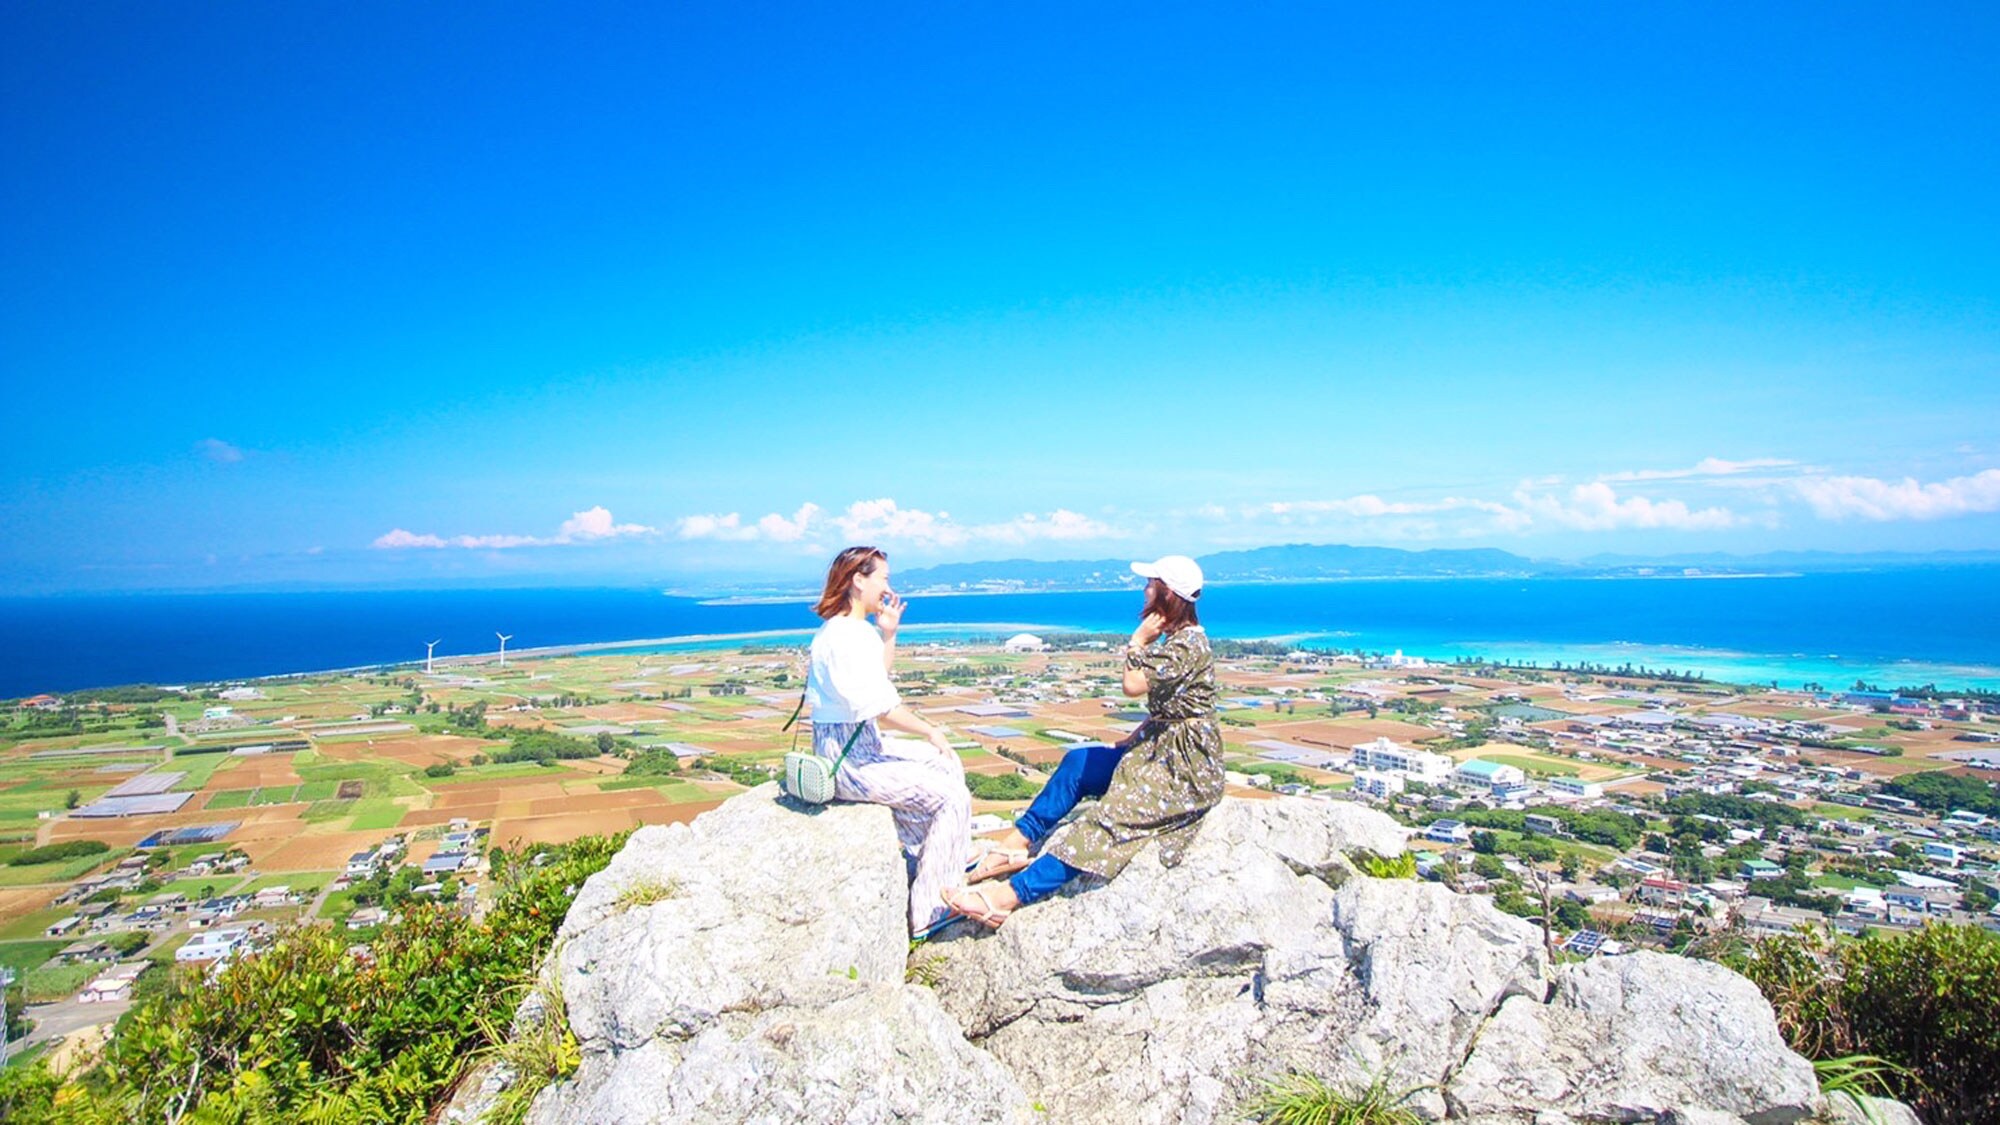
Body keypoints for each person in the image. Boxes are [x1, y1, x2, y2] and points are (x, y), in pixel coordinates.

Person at [942, 554, 1223, 928]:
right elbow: (1173, 706)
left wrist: (1136, 642)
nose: (1144, 589)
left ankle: (1004, 899)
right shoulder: (1177, 641)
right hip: (1156, 749)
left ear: (1166, 593)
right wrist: (1134, 739)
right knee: (1079, 764)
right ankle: (1015, 845)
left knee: (1107, 821)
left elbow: (1133, 685)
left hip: (1183, 769)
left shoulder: (1187, 644)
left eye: (1150, 583)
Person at [805, 545, 972, 934]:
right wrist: (931, 730)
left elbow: (876, 680)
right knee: (952, 796)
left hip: (859, 746)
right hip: (847, 760)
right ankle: (929, 911)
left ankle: (935, 860)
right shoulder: (844, 636)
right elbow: (880, 705)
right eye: (882, 577)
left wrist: (888, 633)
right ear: (858, 579)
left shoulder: (850, 630)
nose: (887, 586)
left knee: (945, 763)